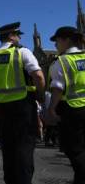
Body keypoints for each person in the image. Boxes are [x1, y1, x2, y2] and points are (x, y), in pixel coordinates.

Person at [0, 22, 45, 184]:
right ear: (12, 36)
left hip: (1, 108)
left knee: (8, 149)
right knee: (24, 148)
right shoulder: (21, 52)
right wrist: (40, 95)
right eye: (18, 35)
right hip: (23, 106)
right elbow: (38, 76)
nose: (19, 38)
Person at [47, 26, 85, 184]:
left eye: (57, 41)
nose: (55, 45)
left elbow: (57, 89)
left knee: (75, 151)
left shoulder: (61, 62)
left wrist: (51, 109)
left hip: (72, 110)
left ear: (66, 40)